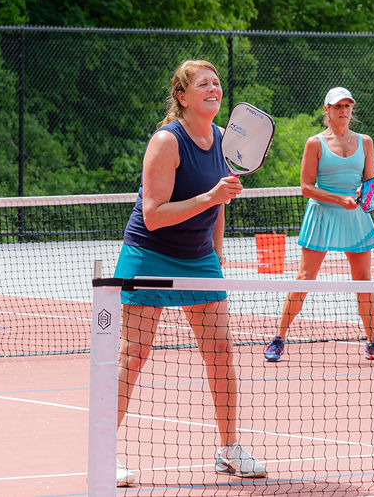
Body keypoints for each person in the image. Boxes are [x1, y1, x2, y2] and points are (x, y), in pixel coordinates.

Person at [113, 59, 266, 487]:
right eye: (203, 84)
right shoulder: (166, 141)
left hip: (199, 258)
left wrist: (214, 259)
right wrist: (210, 196)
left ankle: (229, 449)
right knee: (134, 355)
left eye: (217, 83)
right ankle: (102, 447)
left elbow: (218, 207)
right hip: (150, 254)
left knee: (220, 352)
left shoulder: (226, 141)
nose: (213, 88)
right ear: (182, 96)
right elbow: (154, 214)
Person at [262, 86, 374, 363]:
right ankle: (278, 339)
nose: (343, 111)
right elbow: (306, 187)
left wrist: (361, 195)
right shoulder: (315, 143)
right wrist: (338, 198)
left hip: (355, 216)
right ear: (327, 111)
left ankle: (372, 342)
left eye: (347, 106)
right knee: (304, 279)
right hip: (322, 215)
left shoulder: (365, 142)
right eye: (338, 107)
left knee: (364, 282)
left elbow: (369, 183)